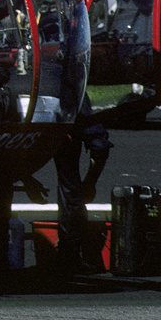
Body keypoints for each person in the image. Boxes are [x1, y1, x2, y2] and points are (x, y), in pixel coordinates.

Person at [54, 93, 112, 274]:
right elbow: (99, 146)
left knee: (1, 181)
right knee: (71, 186)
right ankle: (69, 256)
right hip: (66, 108)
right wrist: (89, 183)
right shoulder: (72, 89)